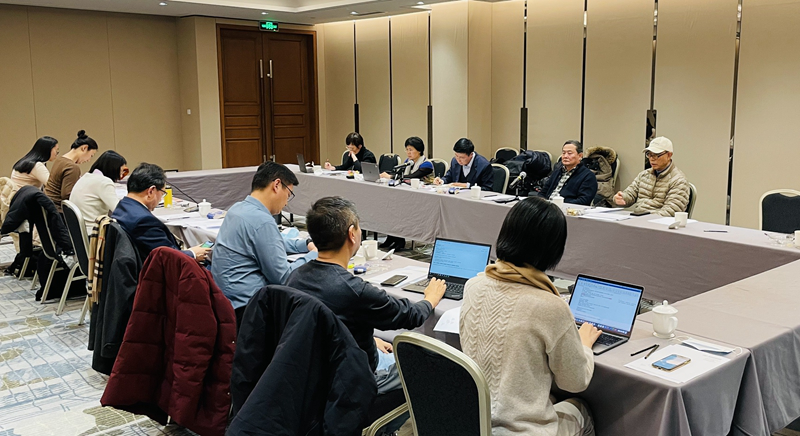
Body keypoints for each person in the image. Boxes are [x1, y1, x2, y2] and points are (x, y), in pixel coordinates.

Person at [460, 197, 600, 436]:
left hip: (472, 422)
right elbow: (575, 383)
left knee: (547, 396)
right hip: (520, 431)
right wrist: (585, 346)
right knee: (581, 409)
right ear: (554, 248)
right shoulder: (551, 306)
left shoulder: (473, 285)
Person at [285, 196, 446, 398]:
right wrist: (430, 299)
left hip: (311, 375)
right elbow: (410, 315)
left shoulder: (295, 276)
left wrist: (368, 339)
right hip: (352, 380)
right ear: (352, 234)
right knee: (433, 364)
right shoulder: (354, 291)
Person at [212, 161, 317, 327]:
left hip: (227, 305)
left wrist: (306, 244)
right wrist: (316, 255)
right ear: (276, 185)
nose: (287, 202)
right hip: (250, 312)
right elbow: (284, 278)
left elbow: (270, 242)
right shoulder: (262, 220)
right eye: (288, 194)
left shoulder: (237, 209)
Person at [111, 163, 210, 263]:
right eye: (162, 193)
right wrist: (192, 254)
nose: (161, 198)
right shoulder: (144, 221)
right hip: (155, 269)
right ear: (151, 191)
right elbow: (168, 259)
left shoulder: (122, 206)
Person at [379, 136, 434, 250]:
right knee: (390, 205)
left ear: (419, 150)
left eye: (411, 150)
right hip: (408, 196)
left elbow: (412, 177)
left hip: (423, 199)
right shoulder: (407, 162)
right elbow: (400, 175)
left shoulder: (426, 164)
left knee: (399, 208)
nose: (408, 152)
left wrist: (391, 177)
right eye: (407, 149)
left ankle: (400, 239)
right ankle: (391, 236)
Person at [613, 136, 690, 217]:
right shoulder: (644, 175)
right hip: (639, 219)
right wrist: (621, 198)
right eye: (649, 154)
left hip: (657, 222)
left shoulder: (679, 180)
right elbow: (630, 194)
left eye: (656, 155)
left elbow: (671, 212)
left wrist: (644, 218)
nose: (652, 159)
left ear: (669, 155)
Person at [69, 150, 128, 231]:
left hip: (80, 230)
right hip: (94, 232)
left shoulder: (87, 177)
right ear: (114, 169)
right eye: (121, 171)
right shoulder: (104, 182)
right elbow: (119, 211)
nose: (121, 175)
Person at [45, 130, 98, 212]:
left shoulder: (60, 160)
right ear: (84, 148)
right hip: (59, 212)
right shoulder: (72, 167)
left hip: (49, 208)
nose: (88, 160)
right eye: (91, 155)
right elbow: (67, 196)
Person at [538, 140, 598, 205]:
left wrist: (559, 204)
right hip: (547, 207)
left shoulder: (588, 176)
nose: (565, 156)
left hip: (568, 209)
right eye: (563, 153)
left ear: (580, 156)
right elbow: (543, 192)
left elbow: (584, 200)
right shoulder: (557, 171)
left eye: (569, 153)